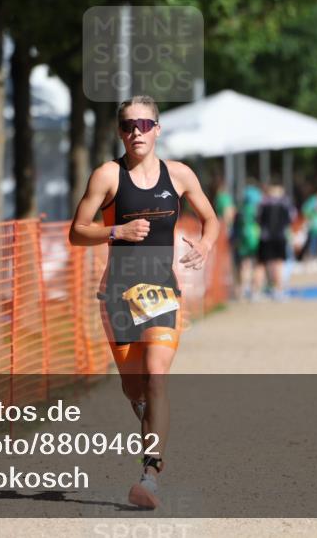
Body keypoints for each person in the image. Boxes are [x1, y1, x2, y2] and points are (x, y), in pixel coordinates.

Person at [69, 95, 219, 509]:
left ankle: (150, 474)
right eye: (129, 125)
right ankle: (148, 415)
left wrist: (205, 245)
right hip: (116, 294)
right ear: (120, 132)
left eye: (146, 124)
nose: (138, 131)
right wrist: (115, 232)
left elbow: (211, 218)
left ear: (158, 130)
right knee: (134, 388)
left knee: (156, 378)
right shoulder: (107, 176)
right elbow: (77, 232)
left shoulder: (180, 175)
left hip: (161, 291)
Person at [256, 183, 295, 300]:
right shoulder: (284, 204)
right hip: (280, 237)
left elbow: (258, 219)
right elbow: (290, 220)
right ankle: (278, 290)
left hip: (265, 238)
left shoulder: (263, 203)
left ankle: (256, 291)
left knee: (262, 264)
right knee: (278, 264)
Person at [234, 182, 263, 300]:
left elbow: (235, 227)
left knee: (244, 265)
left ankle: (243, 289)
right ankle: (255, 291)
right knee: (258, 265)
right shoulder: (259, 210)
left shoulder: (241, 211)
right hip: (257, 238)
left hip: (244, 240)